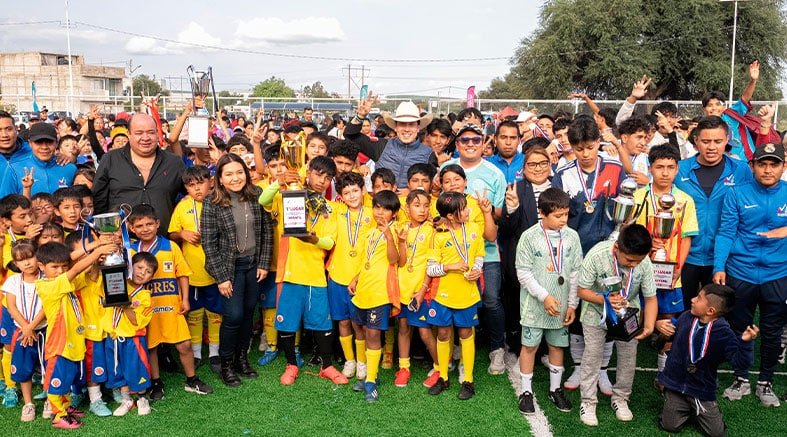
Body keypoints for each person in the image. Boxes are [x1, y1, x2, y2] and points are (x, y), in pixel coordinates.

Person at [258, 156, 348, 386]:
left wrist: (313, 239)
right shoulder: (289, 195)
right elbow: (262, 199)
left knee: (322, 323)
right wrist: (279, 181)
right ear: (308, 172)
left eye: (328, 178)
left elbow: (330, 242)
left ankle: (327, 366)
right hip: (289, 271)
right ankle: (291, 365)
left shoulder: (331, 208)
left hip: (316, 273)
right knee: (287, 322)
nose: (322, 181)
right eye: (319, 174)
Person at [552, 116, 626, 394]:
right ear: (571, 146)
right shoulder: (563, 172)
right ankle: (580, 366)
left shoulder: (616, 169)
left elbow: (626, 211)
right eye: (579, 148)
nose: (585, 154)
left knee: (606, 309)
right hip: (576, 252)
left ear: (599, 143)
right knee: (577, 309)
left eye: (590, 147)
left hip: (609, 251)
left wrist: (617, 242)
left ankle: (603, 370)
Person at [714, 142, 787, 407]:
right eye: (762, 164)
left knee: (772, 330)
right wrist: (719, 266)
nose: (768, 170)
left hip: (778, 274)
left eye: (774, 164)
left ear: (783, 166)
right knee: (739, 328)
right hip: (740, 272)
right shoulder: (736, 194)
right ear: (753, 166)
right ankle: (741, 378)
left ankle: (766, 382)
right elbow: (726, 232)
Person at [201, 154, 273, 388]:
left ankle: (242, 360)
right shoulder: (212, 202)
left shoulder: (257, 196)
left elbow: (266, 232)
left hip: (253, 265)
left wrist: (263, 262)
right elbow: (209, 244)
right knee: (233, 316)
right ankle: (226, 365)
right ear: (220, 178)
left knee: (248, 314)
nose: (235, 178)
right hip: (229, 268)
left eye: (239, 172)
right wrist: (221, 277)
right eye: (229, 174)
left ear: (247, 172)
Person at [127, 204, 214, 399]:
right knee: (152, 347)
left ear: (158, 224)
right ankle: (156, 382)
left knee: (184, 345)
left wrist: (185, 299)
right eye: (139, 226)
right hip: (147, 310)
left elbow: (182, 274)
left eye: (149, 224)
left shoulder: (170, 246)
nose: (145, 228)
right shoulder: (130, 251)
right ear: (132, 228)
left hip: (171, 305)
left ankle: (192, 379)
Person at [442, 124, 507, 375]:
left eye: (475, 140)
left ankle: (497, 349)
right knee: (453, 304)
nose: (470, 144)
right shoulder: (445, 172)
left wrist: (487, 210)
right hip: (451, 258)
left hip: (486, 255)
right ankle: (455, 348)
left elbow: (492, 230)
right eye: (464, 139)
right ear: (457, 144)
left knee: (491, 300)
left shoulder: (494, 174)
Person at [576, 224, 657, 427]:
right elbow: (581, 291)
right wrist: (604, 301)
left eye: (638, 261)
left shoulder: (643, 262)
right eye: (629, 260)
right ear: (616, 248)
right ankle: (588, 401)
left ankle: (620, 398)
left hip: (629, 314)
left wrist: (648, 325)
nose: (633, 265)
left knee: (629, 357)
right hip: (595, 313)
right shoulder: (596, 255)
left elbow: (651, 297)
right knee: (592, 355)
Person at [658, 284, 759, 437]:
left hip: (701, 390)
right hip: (676, 385)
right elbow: (661, 342)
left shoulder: (724, 332)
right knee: (669, 426)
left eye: (698, 298)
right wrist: (660, 328)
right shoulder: (686, 317)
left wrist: (745, 343)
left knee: (716, 433)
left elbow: (740, 362)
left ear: (710, 311)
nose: (692, 299)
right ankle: (678, 404)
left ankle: (698, 409)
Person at [515, 188, 582, 415]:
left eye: (565, 214)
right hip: (535, 305)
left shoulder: (572, 236)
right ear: (541, 213)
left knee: (557, 345)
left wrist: (572, 304)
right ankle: (526, 392)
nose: (563, 220)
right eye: (557, 215)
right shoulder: (529, 237)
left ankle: (555, 389)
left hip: (561, 306)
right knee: (530, 346)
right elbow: (523, 273)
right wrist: (544, 296)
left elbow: (575, 273)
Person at [36, 240, 115, 429]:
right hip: (59, 345)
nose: (60, 271)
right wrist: (96, 251)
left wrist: (96, 261)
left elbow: (88, 275)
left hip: (73, 342)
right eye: (54, 267)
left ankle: (66, 407)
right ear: (41, 267)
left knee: (68, 378)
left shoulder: (65, 282)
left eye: (63, 266)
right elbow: (74, 270)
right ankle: (58, 416)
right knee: (58, 381)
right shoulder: (46, 286)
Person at [633, 145, 698, 376]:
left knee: (668, 324)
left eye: (670, 167)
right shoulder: (638, 197)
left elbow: (687, 238)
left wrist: (678, 268)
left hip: (670, 273)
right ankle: (625, 365)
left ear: (677, 169)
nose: (665, 172)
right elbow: (628, 232)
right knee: (634, 315)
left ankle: (664, 374)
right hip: (639, 269)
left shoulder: (685, 200)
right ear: (650, 168)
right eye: (659, 167)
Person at [675, 116, 752, 306]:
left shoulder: (741, 170)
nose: (711, 147)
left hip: (724, 257)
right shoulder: (680, 170)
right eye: (706, 141)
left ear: (727, 140)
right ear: (696, 141)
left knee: (716, 312)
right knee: (683, 309)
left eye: (718, 141)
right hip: (686, 255)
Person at [427, 192, 485, 400]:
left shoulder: (474, 228)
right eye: (464, 208)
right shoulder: (438, 235)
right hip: (443, 295)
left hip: (467, 293)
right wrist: (450, 266)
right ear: (451, 216)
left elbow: (479, 255)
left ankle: (468, 380)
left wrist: (476, 270)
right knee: (443, 333)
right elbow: (431, 269)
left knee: (465, 333)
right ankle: (443, 377)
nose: (468, 211)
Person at [168, 166, 223, 375]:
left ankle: (215, 353)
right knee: (195, 313)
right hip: (191, 272)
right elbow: (171, 233)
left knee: (216, 312)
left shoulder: (219, 203)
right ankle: (197, 353)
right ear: (186, 188)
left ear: (211, 182)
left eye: (201, 183)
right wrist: (183, 234)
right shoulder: (182, 207)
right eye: (191, 185)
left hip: (216, 271)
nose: (197, 189)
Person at [348, 190, 400, 402]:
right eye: (377, 207)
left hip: (380, 292)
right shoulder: (369, 232)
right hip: (364, 290)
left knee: (372, 334)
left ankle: (370, 380)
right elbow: (366, 260)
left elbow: (394, 259)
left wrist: (388, 236)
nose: (380, 212)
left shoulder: (396, 230)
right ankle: (369, 375)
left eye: (386, 209)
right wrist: (356, 277)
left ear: (394, 213)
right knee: (358, 328)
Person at [93, 114, 186, 233]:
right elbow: (98, 200)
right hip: (121, 242)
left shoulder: (173, 163)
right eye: (139, 133)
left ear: (158, 133)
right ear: (129, 134)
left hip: (162, 243)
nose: (145, 138)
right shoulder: (110, 159)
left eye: (151, 132)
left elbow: (192, 192)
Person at [500, 145, 553, 353]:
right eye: (532, 164)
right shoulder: (516, 189)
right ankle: (519, 343)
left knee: (549, 296)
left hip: (553, 256)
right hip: (524, 257)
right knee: (521, 300)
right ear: (524, 167)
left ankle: (547, 348)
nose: (538, 168)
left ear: (550, 165)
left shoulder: (558, 187)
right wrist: (511, 208)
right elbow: (506, 229)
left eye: (543, 163)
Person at [326, 172, 375, 380]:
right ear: (341, 196)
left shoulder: (374, 214)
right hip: (338, 275)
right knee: (343, 322)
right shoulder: (337, 211)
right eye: (346, 192)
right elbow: (316, 199)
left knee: (359, 323)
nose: (352, 195)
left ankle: (363, 362)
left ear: (363, 190)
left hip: (362, 277)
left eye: (356, 190)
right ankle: (349, 360)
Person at [102, 252, 157, 417]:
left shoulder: (145, 297)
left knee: (136, 369)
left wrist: (126, 305)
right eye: (139, 267)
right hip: (113, 338)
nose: (142, 273)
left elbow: (136, 321)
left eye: (148, 271)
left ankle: (142, 398)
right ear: (129, 267)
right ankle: (126, 399)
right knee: (118, 370)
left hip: (133, 340)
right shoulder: (116, 282)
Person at [395, 189, 440, 388]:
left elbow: (432, 263)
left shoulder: (432, 230)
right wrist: (402, 242)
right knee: (403, 327)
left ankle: (440, 368)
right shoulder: (400, 228)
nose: (422, 210)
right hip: (402, 287)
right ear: (407, 207)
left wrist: (422, 291)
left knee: (424, 332)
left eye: (425, 205)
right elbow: (400, 261)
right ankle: (404, 367)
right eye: (416, 205)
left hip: (421, 289)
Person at [345, 98, 434, 189]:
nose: (407, 129)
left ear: (418, 127)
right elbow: (350, 136)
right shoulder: (382, 146)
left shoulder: (429, 154)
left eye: (411, 124)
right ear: (395, 127)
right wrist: (360, 116)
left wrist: (410, 191)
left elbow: (434, 186)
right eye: (402, 124)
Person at [4, 242, 46, 422]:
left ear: (38, 257)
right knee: (23, 369)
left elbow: (47, 306)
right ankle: (28, 404)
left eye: (30, 257)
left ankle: (51, 400)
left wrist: (32, 326)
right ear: (15, 263)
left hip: (44, 329)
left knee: (48, 365)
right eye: (21, 260)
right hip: (22, 332)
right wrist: (26, 328)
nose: (27, 263)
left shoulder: (47, 278)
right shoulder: (13, 281)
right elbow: (11, 307)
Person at [700, 61, 760, 161]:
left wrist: (753, 81)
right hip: (720, 167)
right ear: (704, 109)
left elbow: (745, 98)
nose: (714, 108)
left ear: (724, 107)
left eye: (718, 104)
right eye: (710, 105)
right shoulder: (701, 126)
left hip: (745, 162)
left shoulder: (732, 115)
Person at [0, 123, 76, 198]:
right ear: (30, 143)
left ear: (56, 143)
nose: (44, 147)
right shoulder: (14, 169)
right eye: (38, 142)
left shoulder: (70, 168)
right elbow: (5, 205)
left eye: (49, 142)